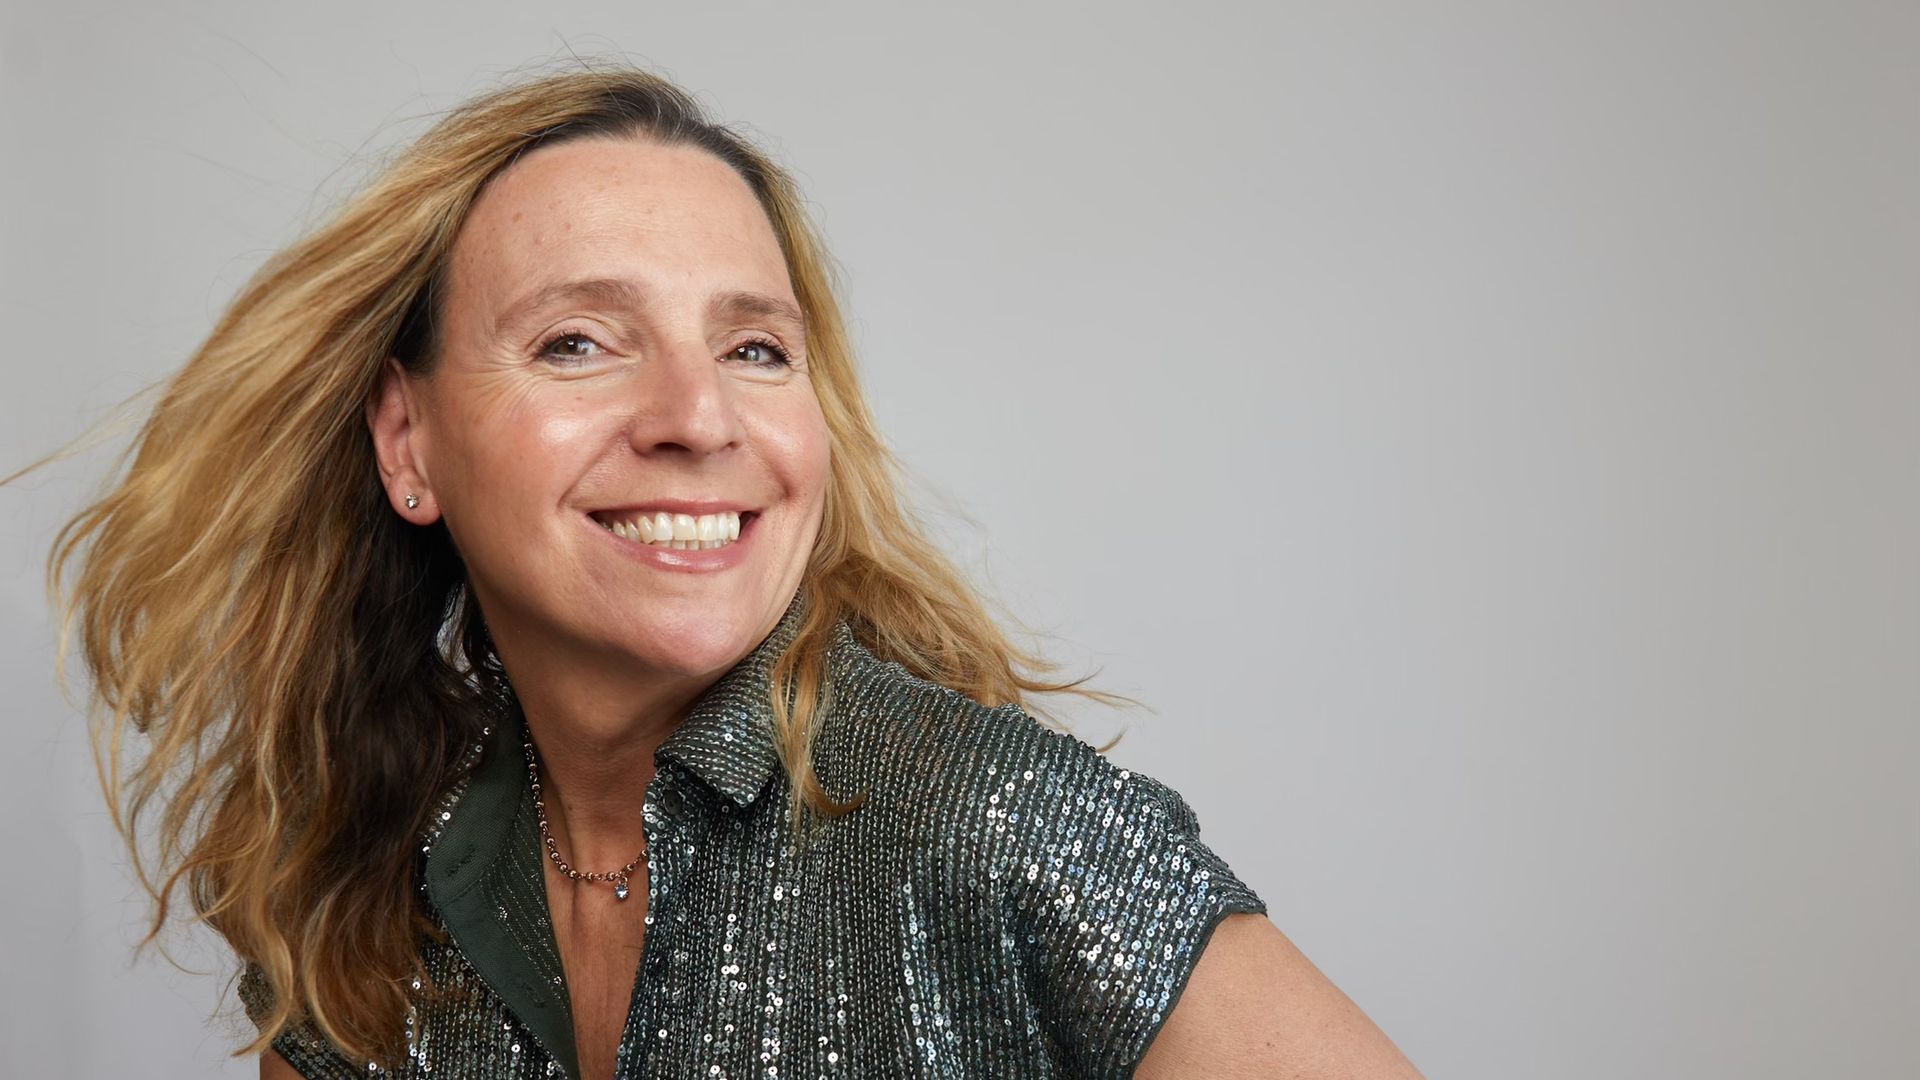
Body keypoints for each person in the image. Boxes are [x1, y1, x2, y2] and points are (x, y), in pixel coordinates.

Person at [35, 63, 1423, 1079]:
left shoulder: (999, 828)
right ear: (409, 441)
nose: (699, 417)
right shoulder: (374, 896)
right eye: (580, 341)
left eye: (755, 348)